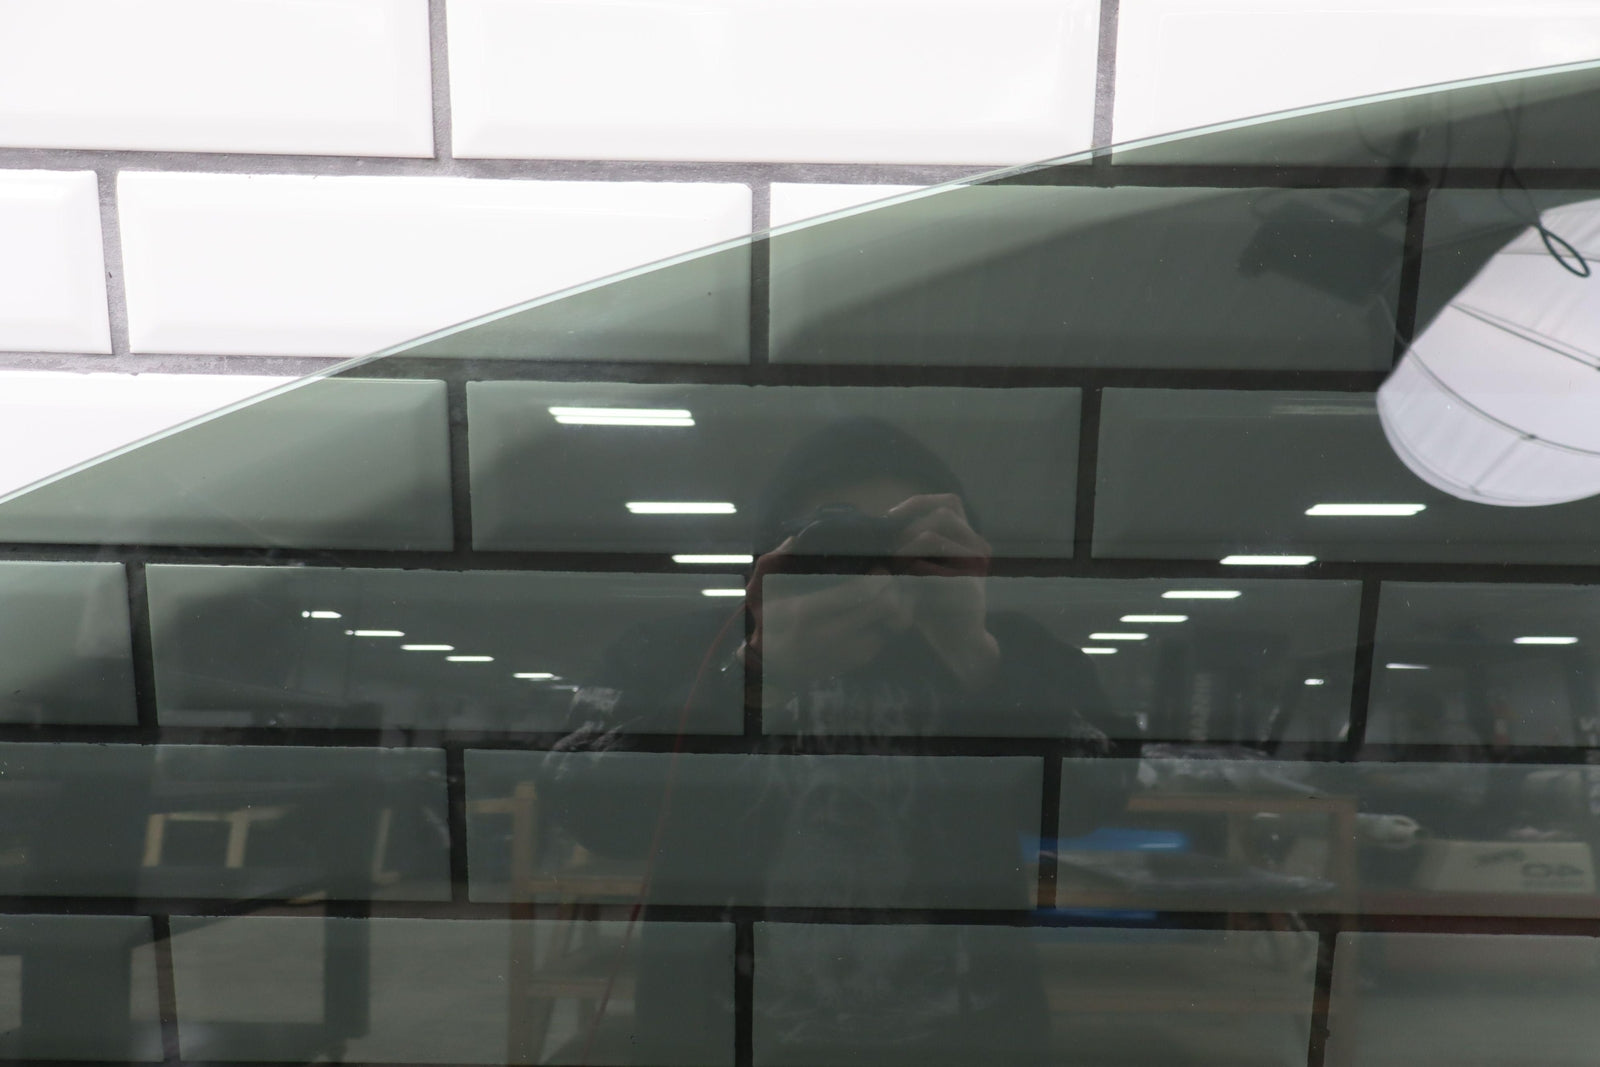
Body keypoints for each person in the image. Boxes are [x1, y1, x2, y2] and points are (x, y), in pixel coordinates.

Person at [540, 417, 1126, 1065]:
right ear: (776, 548)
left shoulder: (1006, 649)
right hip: (718, 1040)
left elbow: (1097, 797)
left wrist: (976, 658)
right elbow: (586, 805)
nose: (872, 560)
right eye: (839, 532)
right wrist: (754, 677)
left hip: (963, 1039)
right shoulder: (682, 649)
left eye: (903, 535)